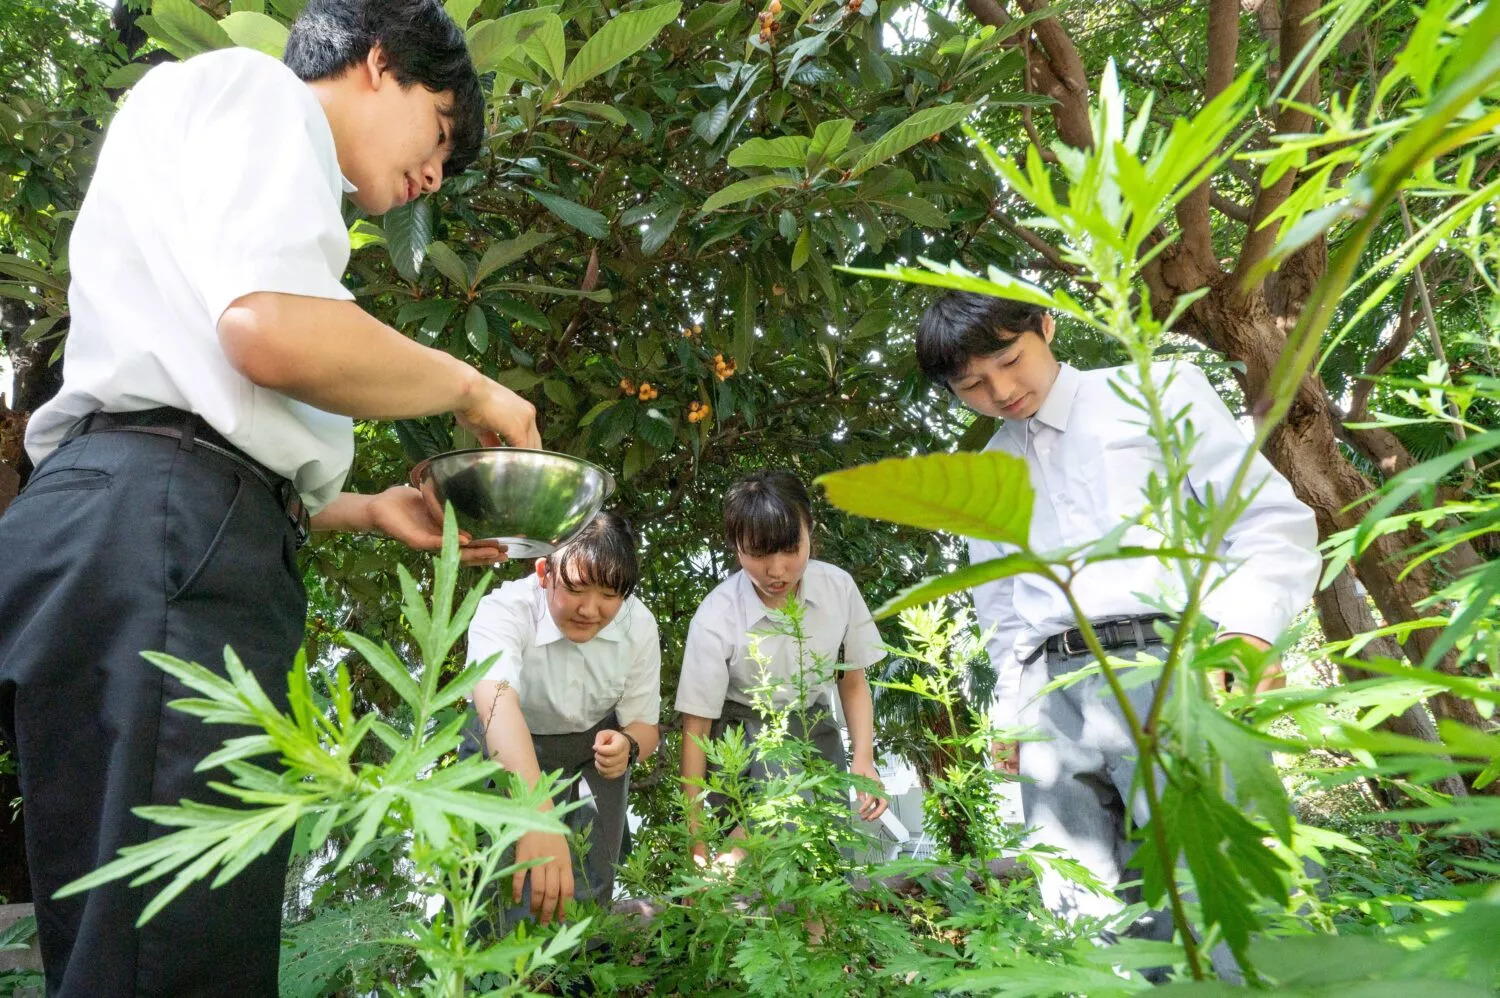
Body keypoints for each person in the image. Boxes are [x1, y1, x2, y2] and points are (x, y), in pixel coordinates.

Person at [0, 2, 542, 994]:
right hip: (164, 533)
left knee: (115, 942)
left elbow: (193, 406)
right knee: (180, 955)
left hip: (110, 521)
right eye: (438, 134)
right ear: (378, 61)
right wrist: (470, 386)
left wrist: (363, 506)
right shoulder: (267, 96)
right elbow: (266, 332)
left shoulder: (205, 129)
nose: (433, 177)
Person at [915, 291, 1320, 976]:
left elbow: (1264, 519)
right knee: (1088, 915)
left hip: (1172, 668)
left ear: (1046, 327)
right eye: (972, 386)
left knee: (1225, 894)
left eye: (1010, 361)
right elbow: (1001, 612)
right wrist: (1010, 714)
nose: (1001, 392)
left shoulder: (1157, 393)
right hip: (1051, 700)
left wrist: (1250, 631)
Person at [676, 470, 889, 868]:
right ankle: (722, 875)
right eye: (759, 553)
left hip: (816, 732)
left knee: (826, 861)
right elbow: (697, 727)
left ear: (811, 532)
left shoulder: (839, 589)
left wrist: (864, 759)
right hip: (743, 741)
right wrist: (696, 836)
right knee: (760, 852)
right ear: (736, 547)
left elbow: (852, 682)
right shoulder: (716, 616)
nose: (777, 570)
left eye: (791, 549)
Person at [465, 512, 662, 926]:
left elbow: (645, 727)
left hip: (590, 756)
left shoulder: (639, 624)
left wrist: (628, 746)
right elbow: (496, 702)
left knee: (589, 883)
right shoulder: (504, 610)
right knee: (493, 880)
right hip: (503, 744)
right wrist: (536, 812)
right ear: (544, 572)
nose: (590, 609)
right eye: (576, 588)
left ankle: (582, 958)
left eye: (609, 595)